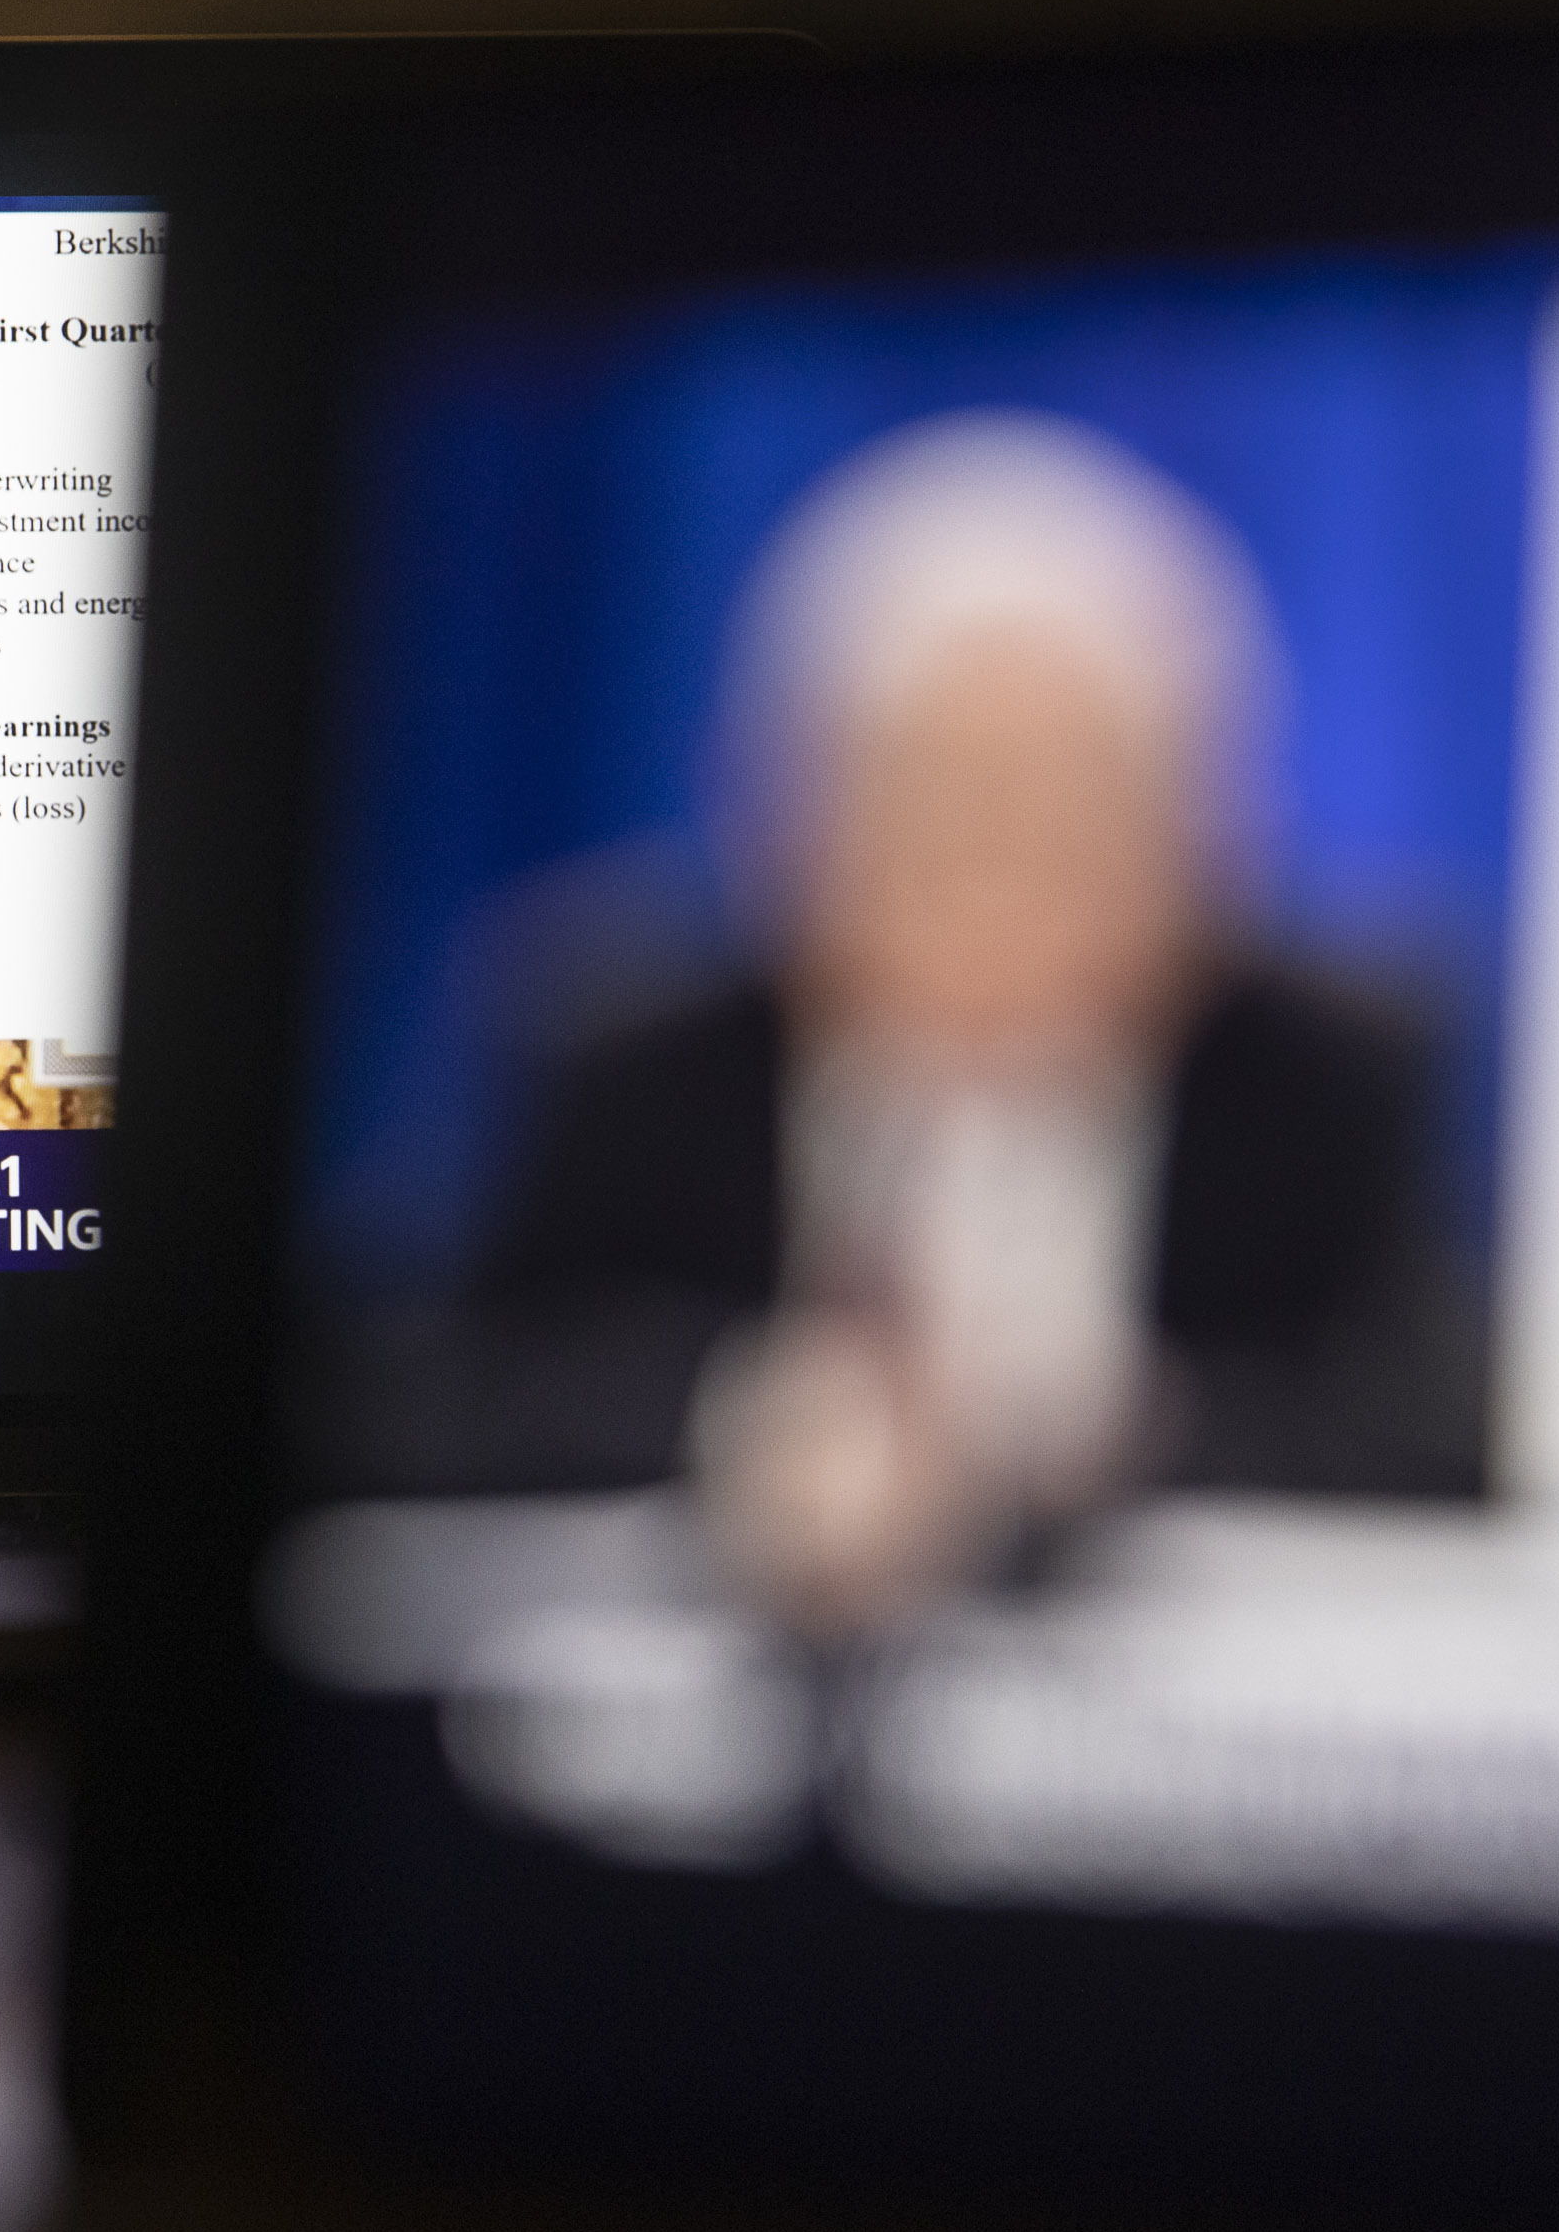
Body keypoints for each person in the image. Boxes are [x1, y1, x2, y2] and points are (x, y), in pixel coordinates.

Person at [468, 412, 1480, 1636]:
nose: (1000, 886)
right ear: (780, 823)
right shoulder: (618, 1052)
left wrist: (1107, 1431)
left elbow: (1444, 1440)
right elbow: (434, 1399)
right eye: (939, 809)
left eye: (1074, 814)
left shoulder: (1334, 1076)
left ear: (1214, 844)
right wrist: (742, 1420)